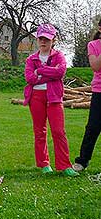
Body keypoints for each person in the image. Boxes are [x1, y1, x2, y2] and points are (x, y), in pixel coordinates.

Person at [23, 23, 78, 176]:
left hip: (54, 97)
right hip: (36, 97)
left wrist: (40, 71)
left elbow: (60, 73)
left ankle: (64, 165)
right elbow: (29, 78)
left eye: (47, 39)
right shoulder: (31, 59)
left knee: (58, 131)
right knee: (40, 131)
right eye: (40, 38)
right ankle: (44, 164)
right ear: (37, 39)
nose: (43, 42)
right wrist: (49, 74)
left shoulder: (59, 56)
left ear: (53, 40)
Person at [73, 19, 101, 171]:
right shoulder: (93, 45)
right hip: (99, 91)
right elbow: (96, 66)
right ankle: (82, 161)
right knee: (93, 126)